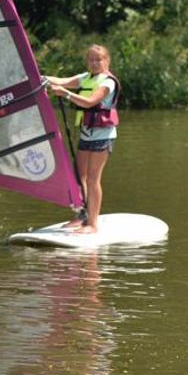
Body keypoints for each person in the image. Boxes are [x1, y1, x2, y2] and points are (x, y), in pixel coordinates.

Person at [43, 44, 120, 234]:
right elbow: (61, 80)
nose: (94, 63)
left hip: (102, 136)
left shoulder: (108, 82)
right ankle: (82, 216)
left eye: (98, 60)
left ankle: (93, 224)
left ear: (106, 61)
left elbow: (90, 101)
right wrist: (39, 78)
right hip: (86, 133)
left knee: (93, 179)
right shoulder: (85, 78)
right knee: (79, 177)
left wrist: (66, 94)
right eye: (91, 60)